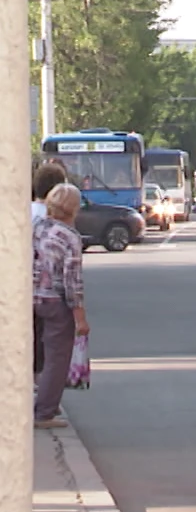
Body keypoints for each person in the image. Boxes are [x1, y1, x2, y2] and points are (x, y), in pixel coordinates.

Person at [32, 183, 88, 428]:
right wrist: (80, 318)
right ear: (73, 209)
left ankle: (40, 404)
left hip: (32, 297)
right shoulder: (70, 237)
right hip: (56, 302)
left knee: (36, 353)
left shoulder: (38, 228)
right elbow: (72, 282)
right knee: (57, 357)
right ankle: (45, 412)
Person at [29, 161, 66, 377]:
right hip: (49, 290)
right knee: (50, 343)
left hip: (23, 286)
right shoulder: (54, 219)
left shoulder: (23, 212)